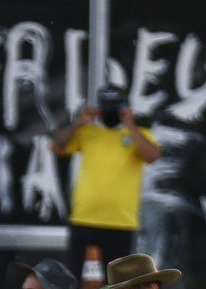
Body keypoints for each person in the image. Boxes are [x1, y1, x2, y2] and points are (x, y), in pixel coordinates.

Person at [54, 85, 160, 278]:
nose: (110, 110)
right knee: (71, 279)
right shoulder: (87, 132)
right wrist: (79, 122)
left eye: (115, 105)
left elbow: (152, 156)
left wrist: (131, 125)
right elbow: (57, 146)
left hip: (121, 221)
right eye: (106, 105)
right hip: (84, 216)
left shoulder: (138, 134)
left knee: (116, 284)